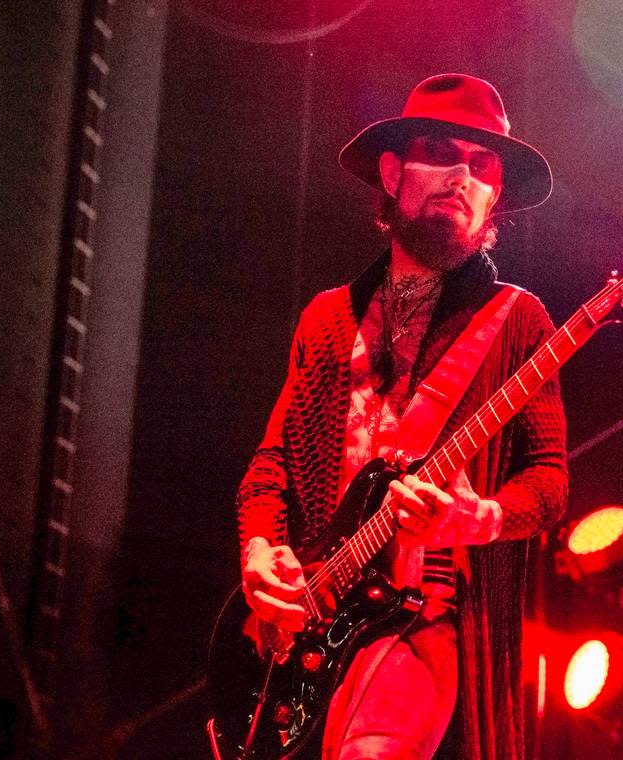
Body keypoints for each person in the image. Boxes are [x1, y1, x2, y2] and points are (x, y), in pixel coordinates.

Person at [235, 73, 568, 760]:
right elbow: (269, 469)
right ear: (391, 172)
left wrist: (480, 518)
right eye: (441, 154)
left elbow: (550, 481)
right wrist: (260, 552)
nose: (462, 177)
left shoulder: (516, 321)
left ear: (495, 196)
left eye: (482, 167)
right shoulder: (329, 320)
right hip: (317, 620)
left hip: (429, 619)